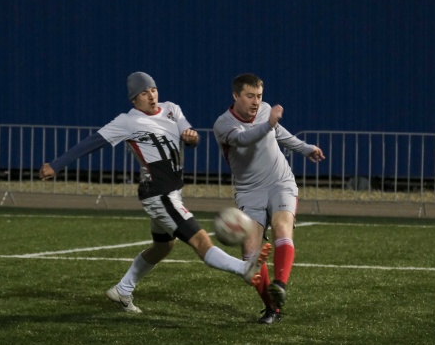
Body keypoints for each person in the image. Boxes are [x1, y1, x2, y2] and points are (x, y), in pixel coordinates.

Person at [38, 71, 271, 314]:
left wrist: (191, 138)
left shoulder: (171, 109)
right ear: (134, 99)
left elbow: (189, 136)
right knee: (201, 240)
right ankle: (245, 268)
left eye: (153, 90)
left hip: (172, 192)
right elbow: (91, 143)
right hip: (159, 195)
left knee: (163, 247)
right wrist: (56, 165)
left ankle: (123, 289)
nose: (151, 96)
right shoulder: (127, 122)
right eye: (144, 93)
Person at [213, 73, 325, 324]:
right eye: (250, 96)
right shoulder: (223, 124)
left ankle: (280, 284)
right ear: (236, 96)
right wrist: (268, 124)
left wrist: (305, 148)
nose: (256, 102)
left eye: (259, 96)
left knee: (282, 226)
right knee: (250, 254)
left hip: (280, 182)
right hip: (249, 191)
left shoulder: (265, 111)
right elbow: (244, 139)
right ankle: (273, 308)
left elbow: (279, 133)